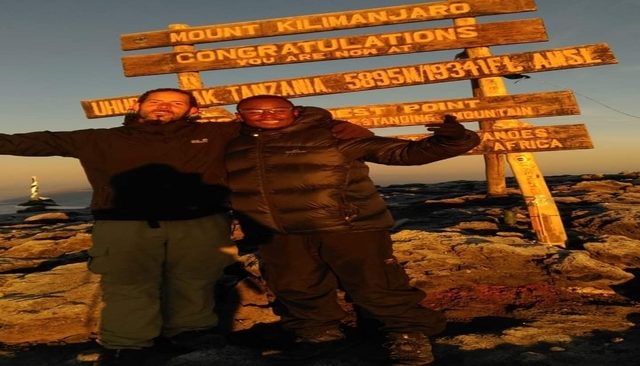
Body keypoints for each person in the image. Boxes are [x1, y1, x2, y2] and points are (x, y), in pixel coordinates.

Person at [0, 88, 371, 365]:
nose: (165, 108)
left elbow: (277, 116)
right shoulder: (98, 138)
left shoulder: (217, 133)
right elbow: (29, 142)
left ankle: (190, 334)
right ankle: (127, 345)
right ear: (136, 106)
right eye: (156, 102)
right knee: (128, 287)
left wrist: (332, 123)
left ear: (192, 110)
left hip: (203, 223)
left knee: (195, 281)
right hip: (124, 226)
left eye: (176, 104)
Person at [225, 95, 481, 366]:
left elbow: (404, 153)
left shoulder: (333, 135)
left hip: (348, 226)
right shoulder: (232, 144)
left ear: (296, 112)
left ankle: (407, 334)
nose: (268, 115)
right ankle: (317, 334)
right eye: (256, 110)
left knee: (376, 284)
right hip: (276, 232)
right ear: (239, 115)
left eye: (278, 109)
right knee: (296, 287)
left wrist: (454, 139)